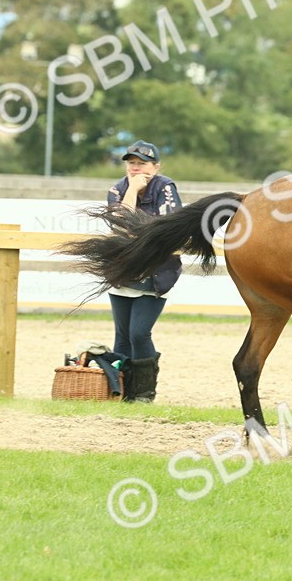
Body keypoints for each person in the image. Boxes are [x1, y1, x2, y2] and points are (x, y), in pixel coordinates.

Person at [106, 140, 183, 402]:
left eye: (142, 164)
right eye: (131, 163)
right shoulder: (118, 189)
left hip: (155, 271)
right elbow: (119, 224)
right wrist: (133, 191)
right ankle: (123, 392)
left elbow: (165, 229)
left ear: (156, 167)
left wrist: (135, 231)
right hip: (124, 270)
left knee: (140, 332)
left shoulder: (166, 187)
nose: (136, 169)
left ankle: (144, 393)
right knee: (122, 335)